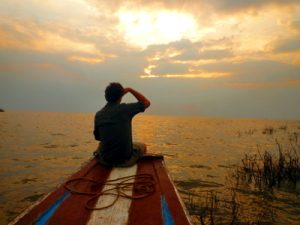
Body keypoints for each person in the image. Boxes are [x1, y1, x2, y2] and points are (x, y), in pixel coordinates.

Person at [93, 82, 151, 167]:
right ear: (121, 96)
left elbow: (98, 138)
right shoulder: (125, 109)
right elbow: (146, 103)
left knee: (100, 145)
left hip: (105, 160)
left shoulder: (98, 114)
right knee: (142, 146)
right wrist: (130, 90)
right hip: (124, 161)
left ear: (106, 97)